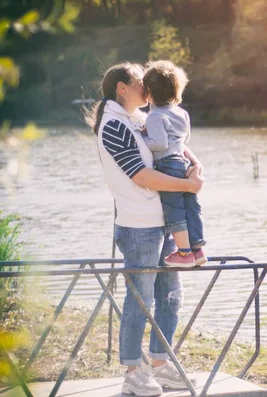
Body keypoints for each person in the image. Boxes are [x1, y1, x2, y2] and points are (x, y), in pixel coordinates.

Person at [86, 62, 203, 396]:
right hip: (139, 227)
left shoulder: (138, 118)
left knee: (171, 298)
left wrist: (196, 167)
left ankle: (162, 366)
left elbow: (175, 144)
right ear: (122, 87)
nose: (146, 88)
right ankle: (133, 373)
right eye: (140, 82)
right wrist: (186, 188)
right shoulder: (112, 125)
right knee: (141, 301)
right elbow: (140, 175)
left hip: (163, 222)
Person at [141, 60, 207, 267]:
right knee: (191, 206)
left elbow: (159, 144)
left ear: (149, 92)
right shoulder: (181, 113)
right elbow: (184, 140)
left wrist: (141, 139)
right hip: (182, 162)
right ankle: (198, 249)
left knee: (174, 208)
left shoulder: (154, 116)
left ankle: (184, 254)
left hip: (167, 165)